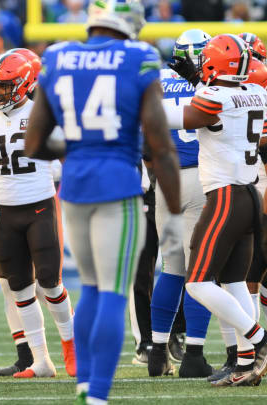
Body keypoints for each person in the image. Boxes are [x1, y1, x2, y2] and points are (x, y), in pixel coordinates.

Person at [23, 1, 182, 403]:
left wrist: (81, 146)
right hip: (118, 185)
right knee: (113, 290)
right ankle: (97, 395)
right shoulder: (140, 57)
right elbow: (160, 146)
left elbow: (35, 143)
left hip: (74, 185)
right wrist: (175, 209)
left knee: (91, 287)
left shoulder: (57, 56)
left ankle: (84, 385)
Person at [166, 34, 267, 386]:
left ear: (212, 64)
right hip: (249, 194)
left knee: (197, 283)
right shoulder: (257, 92)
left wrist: (139, 103)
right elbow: (225, 106)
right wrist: (196, 80)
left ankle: (260, 341)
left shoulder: (214, 96)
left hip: (227, 198)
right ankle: (245, 364)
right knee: (236, 282)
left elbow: (183, 116)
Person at [0, 50, 75, 379]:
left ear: (25, 84)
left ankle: (73, 349)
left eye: (5, 86)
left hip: (40, 207)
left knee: (51, 284)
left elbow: (67, 156)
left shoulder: (44, 111)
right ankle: (41, 360)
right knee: (19, 289)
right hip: (6, 212)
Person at [148, 29, 214, 379]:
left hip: (165, 181)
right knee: (201, 272)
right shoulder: (210, 83)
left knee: (171, 270)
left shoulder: (157, 80)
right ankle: (194, 356)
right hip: (202, 179)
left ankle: (157, 353)